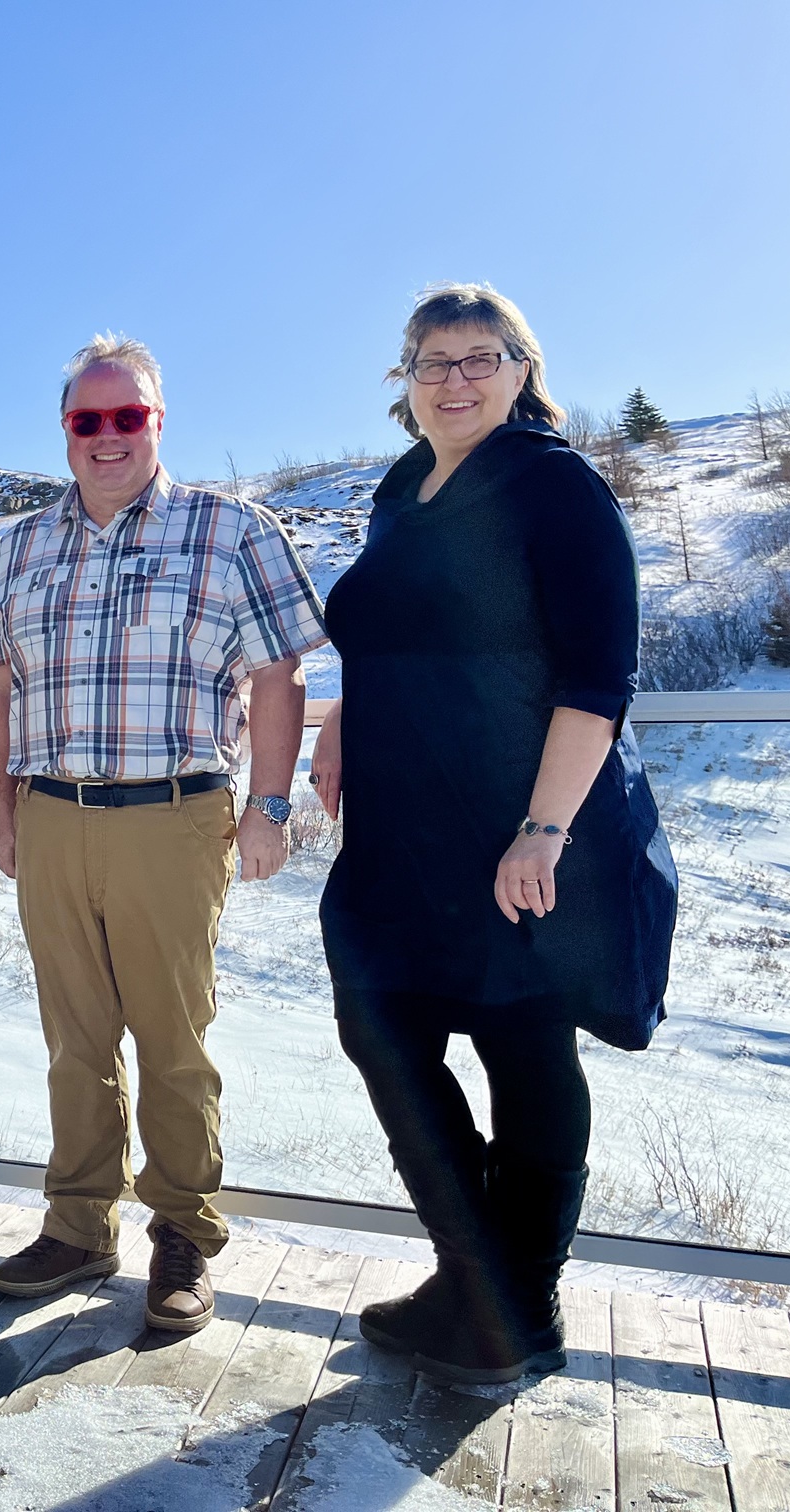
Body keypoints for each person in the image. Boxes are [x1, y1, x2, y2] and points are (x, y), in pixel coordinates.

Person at [312, 285, 677, 1384]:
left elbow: (596, 677)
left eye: (483, 358)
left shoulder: (553, 483)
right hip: (398, 832)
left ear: (523, 369)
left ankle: (514, 1301)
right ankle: (483, 1283)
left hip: (514, 826)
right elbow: (396, 632)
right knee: (383, 1030)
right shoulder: (400, 490)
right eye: (434, 360)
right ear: (405, 380)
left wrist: (543, 830)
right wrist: (340, 717)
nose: (457, 378)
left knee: (524, 1049)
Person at [0, 335, 328, 1330]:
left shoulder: (230, 530)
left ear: (158, 421)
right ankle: (78, 1225)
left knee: (174, 1039)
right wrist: (5, 815)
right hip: (51, 815)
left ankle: (182, 1231)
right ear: (65, 431)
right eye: (88, 420)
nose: (107, 436)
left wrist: (269, 807)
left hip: (175, 818)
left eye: (126, 416)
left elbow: (279, 677)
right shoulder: (22, 548)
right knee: (71, 1039)